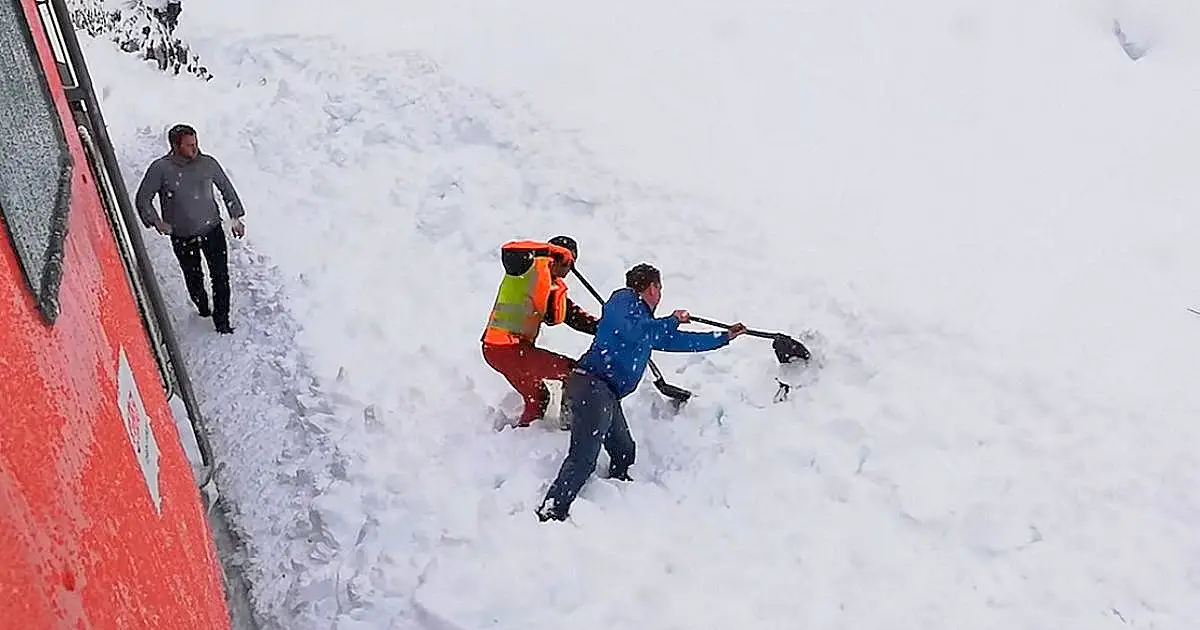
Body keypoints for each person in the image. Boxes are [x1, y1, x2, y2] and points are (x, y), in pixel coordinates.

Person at [536, 263, 746, 522]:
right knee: (583, 458)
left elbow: (678, 341)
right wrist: (670, 321)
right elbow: (633, 330)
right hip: (590, 386)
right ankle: (550, 511)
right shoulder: (623, 300)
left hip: (606, 395)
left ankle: (616, 497)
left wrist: (723, 337)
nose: (660, 296)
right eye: (660, 288)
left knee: (624, 450)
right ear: (652, 287)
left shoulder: (646, 325)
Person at [135, 124, 246, 334]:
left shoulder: (208, 164)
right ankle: (202, 307)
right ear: (175, 146)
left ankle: (222, 322)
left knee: (220, 276)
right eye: (189, 145)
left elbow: (227, 190)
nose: (195, 148)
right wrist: (156, 221)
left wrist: (236, 217)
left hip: (212, 230)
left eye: (196, 143)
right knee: (193, 276)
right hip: (183, 235)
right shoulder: (160, 169)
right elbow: (143, 199)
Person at [481, 236, 599, 428]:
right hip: (506, 348)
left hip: (507, 350)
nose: (569, 268)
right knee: (573, 372)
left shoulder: (551, 287)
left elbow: (575, 318)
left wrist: (606, 328)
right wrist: (551, 251)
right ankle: (570, 425)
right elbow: (509, 250)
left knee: (538, 398)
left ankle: (523, 435)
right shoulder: (526, 267)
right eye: (568, 261)